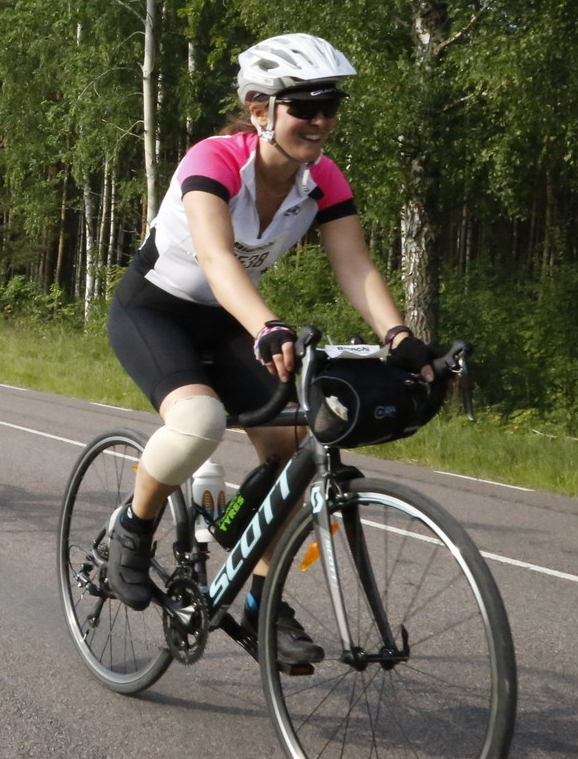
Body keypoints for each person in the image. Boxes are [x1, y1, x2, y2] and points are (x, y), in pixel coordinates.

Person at [102, 33, 435, 668]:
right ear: (260, 110)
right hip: (155, 312)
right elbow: (215, 257)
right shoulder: (214, 160)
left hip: (231, 319)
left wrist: (399, 337)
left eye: (330, 106)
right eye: (304, 107)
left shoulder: (322, 178)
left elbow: (354, 264)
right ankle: (134, 525)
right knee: (198, 421)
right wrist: (268, 326)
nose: (320, 121)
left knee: (293, 450)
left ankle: (262, 603)